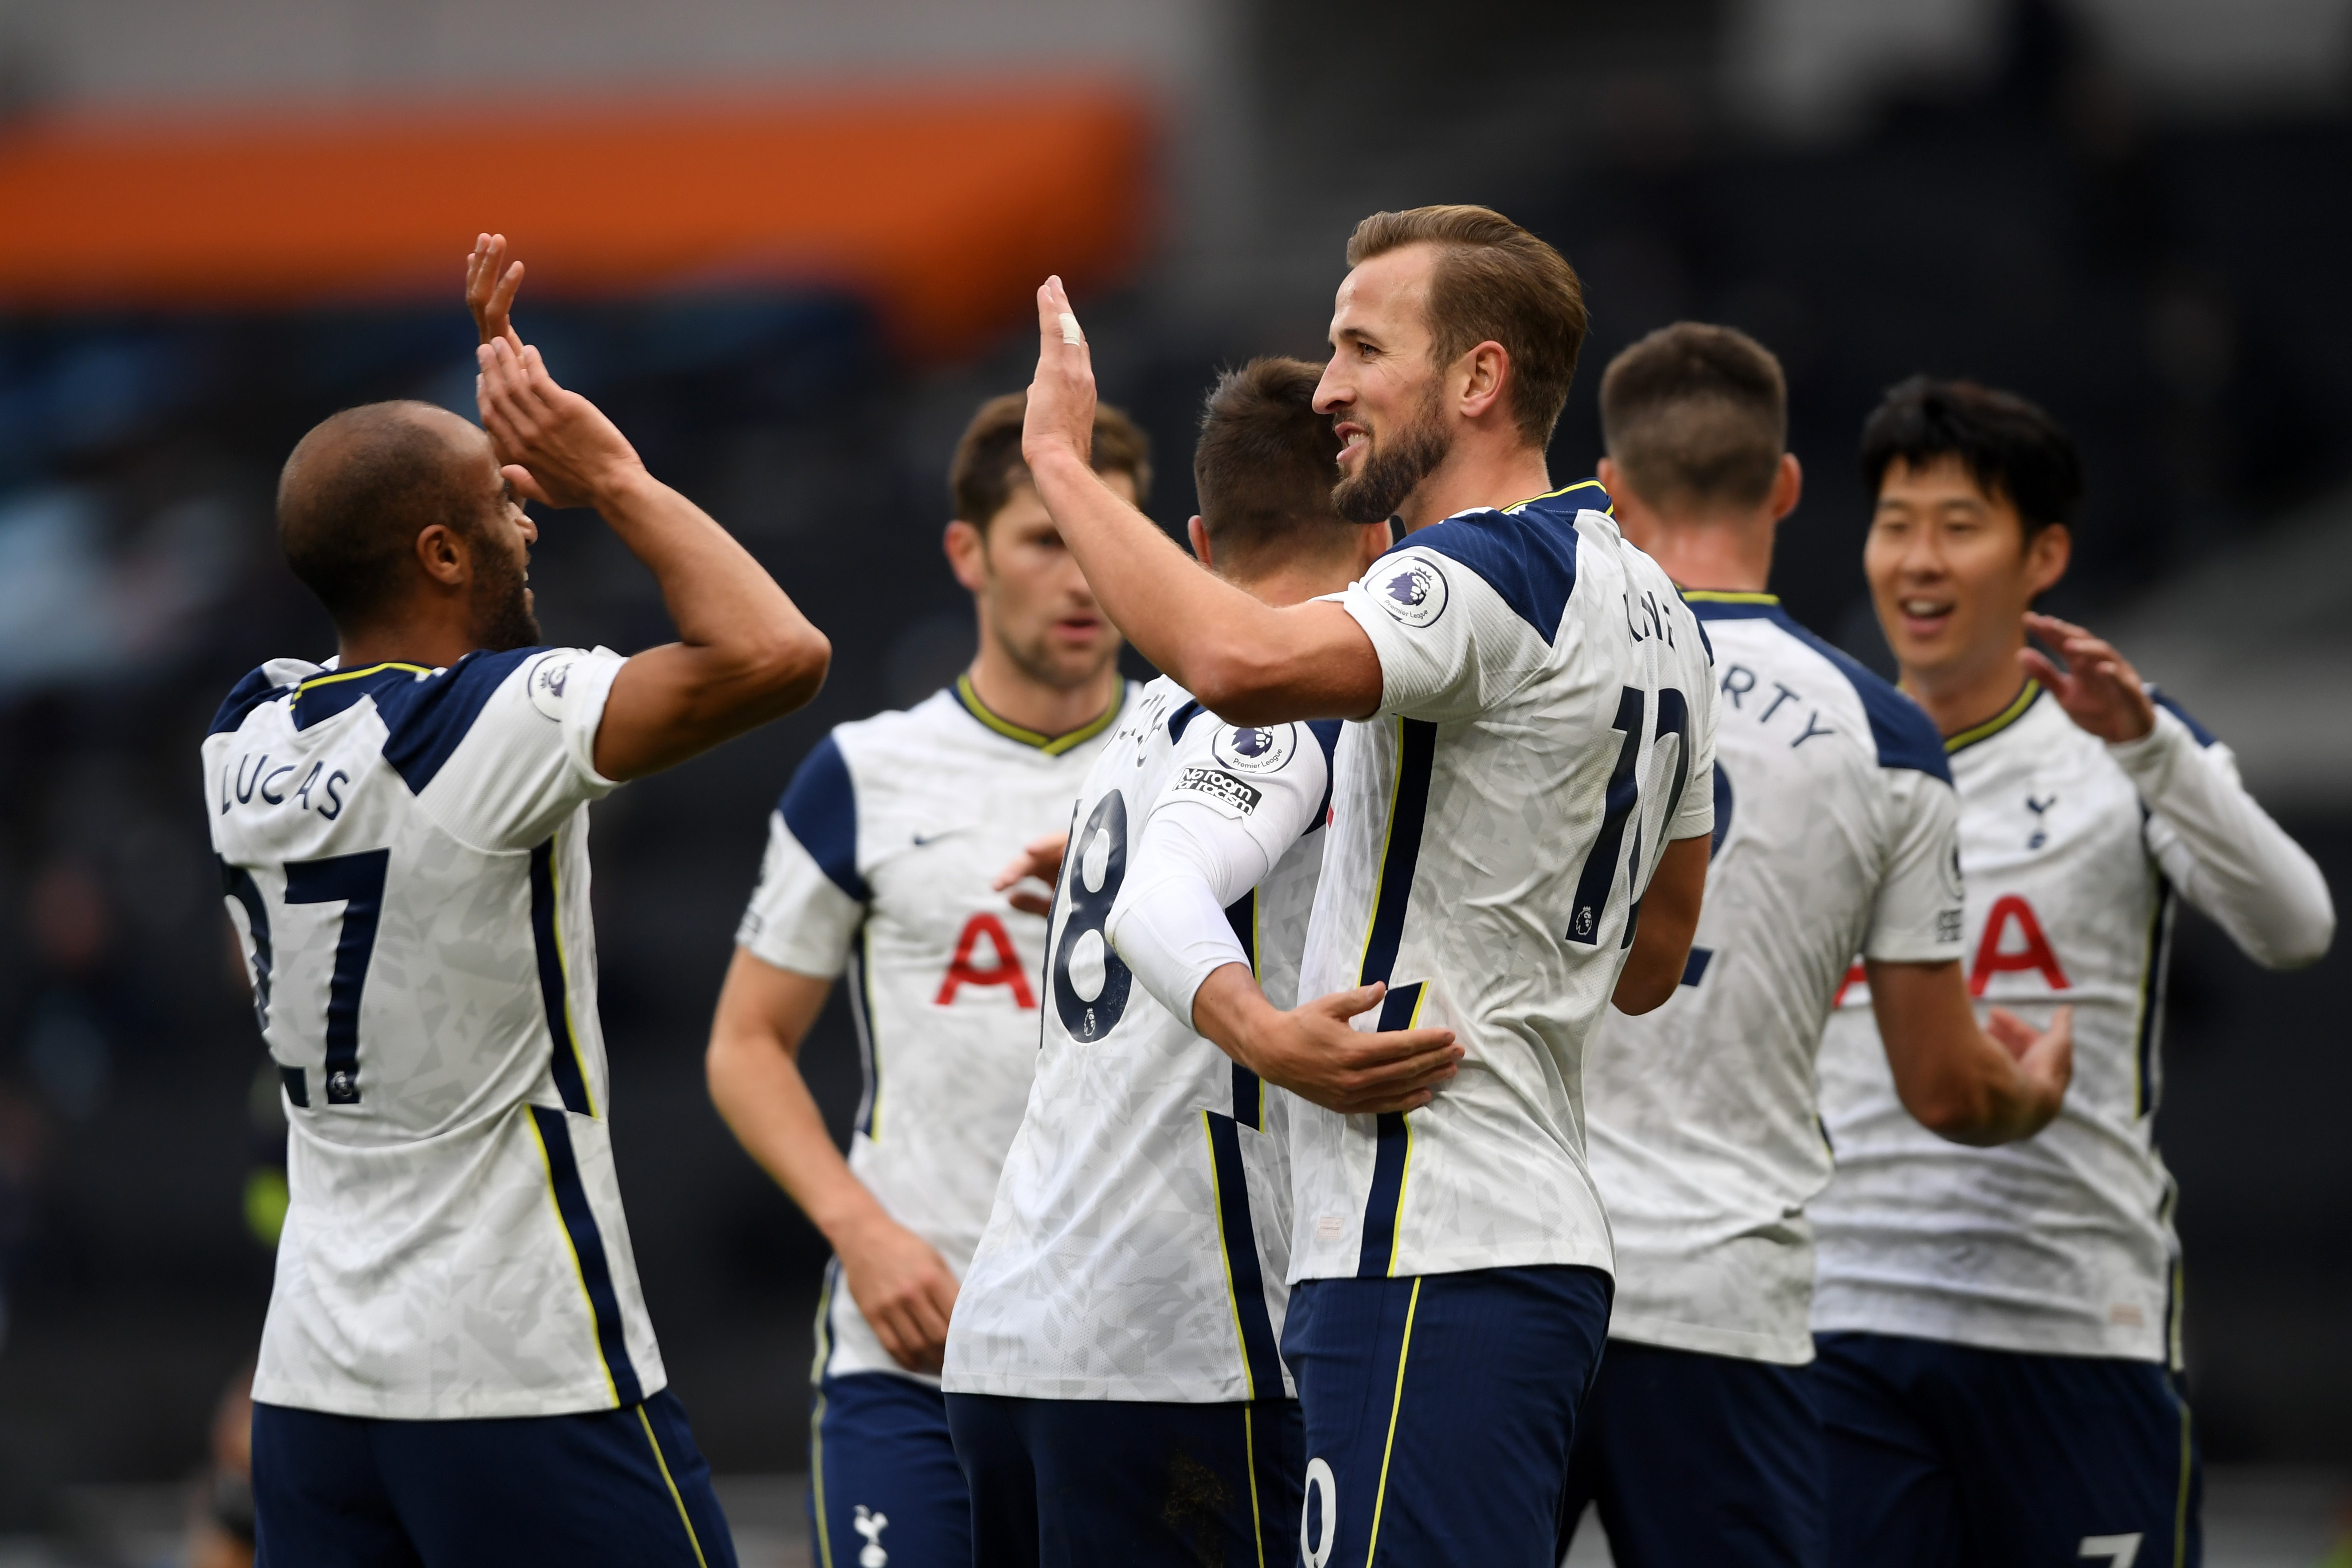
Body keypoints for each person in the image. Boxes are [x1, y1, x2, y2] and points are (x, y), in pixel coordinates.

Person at [1014, 204, 1720, 1566]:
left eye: (1358, 347)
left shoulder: (1475, 570)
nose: (1326, 385)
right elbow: (1651, 956)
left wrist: (1060, 460)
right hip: (1538, 1233)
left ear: (1477, 379)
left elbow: (1238, 664)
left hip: (1425, 1243)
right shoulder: (1657, 606)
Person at [209, 238, 831, 1564]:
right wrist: (613, 469)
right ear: (440, 551)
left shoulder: (242, 729)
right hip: (515, 1366)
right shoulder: (480, 730)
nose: (531, 515)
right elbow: (778, 651)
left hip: (314, 1380)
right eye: (502, 504)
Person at [1562, 325, 2075, 1567]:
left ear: (1609, 489)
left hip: (1517, 1283)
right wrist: (2028, 1093)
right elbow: (1947, 1088)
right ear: (1785, 485)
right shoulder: (1884, 735)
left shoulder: (1526, 679)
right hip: (1725, 1305)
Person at [1810, 377, 2336, 1568]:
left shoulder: (2121, 747)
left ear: (2041, 553)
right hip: (1846, 1320)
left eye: (1959, 525)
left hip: (2071, 1324)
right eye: (1896, 523)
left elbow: (2294, 924)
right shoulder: (1820, 753)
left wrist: (2151, 746)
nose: (1917, 560)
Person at [940, 358, 1401, 1566]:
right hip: (1172, 1346)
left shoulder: (1145, 719)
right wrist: (1273, 1034)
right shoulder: (1302, 697)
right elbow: (1160, 896)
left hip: (1009, 1333)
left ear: (1196, 539)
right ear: (1385, 532)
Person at [703, 388, 1150, 1568]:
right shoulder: (866, 772)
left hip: (1147, 1350)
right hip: (912, 1349)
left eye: (1106, 535)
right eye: (1047, 537)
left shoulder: (1206, 752)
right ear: (967, 552)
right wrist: (864, 1232)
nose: (1082, 577)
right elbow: (745, 1042)